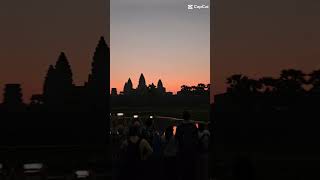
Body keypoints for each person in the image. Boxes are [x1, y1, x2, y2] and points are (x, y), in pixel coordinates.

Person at [175, 111, 199, 180]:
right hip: (191, 151)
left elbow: (177, 138)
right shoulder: (193, 126)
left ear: (183, 117)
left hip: (182, 151)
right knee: (191, 170)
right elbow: (196, 139)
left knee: (183, 170)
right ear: (189, 117)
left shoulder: (180, 127)